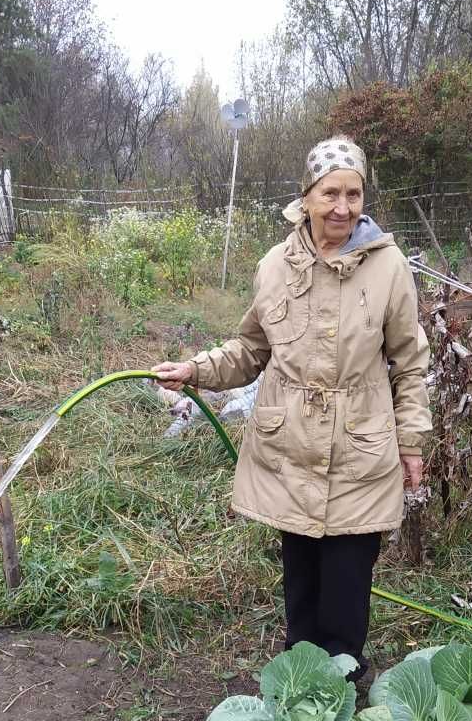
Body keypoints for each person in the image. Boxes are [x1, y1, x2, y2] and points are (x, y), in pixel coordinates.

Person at [153, 137, 432, 680]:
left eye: (354, 194)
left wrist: (412, 440)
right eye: (330, 193)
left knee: (347, 586)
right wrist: (197, 371)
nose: (342, 208)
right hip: (290, 448)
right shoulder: (275, 266)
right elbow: (253, 350)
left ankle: (346, 693)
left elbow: (410, 361)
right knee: (300, 581)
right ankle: (299, 691)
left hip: (360, 448)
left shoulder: (389, 267)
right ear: (306, 197)